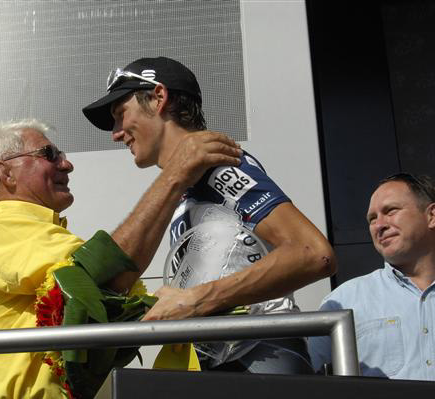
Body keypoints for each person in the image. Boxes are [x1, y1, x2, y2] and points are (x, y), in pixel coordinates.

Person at [83, 56, 336, 374]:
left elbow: (313, 253)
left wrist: (196, 299)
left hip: (261, 353)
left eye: (121, 114)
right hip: (221, 358)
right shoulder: (186, 183)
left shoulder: (216, 163)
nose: (116, 133)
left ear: (159, 98)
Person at [0, 118, 241, 399]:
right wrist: (176, 174)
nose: (67, 165)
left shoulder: (30, 234)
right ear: (7, 173)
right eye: (49, 154)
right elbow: (106, 274)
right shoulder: (0, 225)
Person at [309, 173, 435, 381]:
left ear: (431, 216)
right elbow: (302, 376)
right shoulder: (343, 301)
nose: (379, 225)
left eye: (390, 211)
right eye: (372, 219)